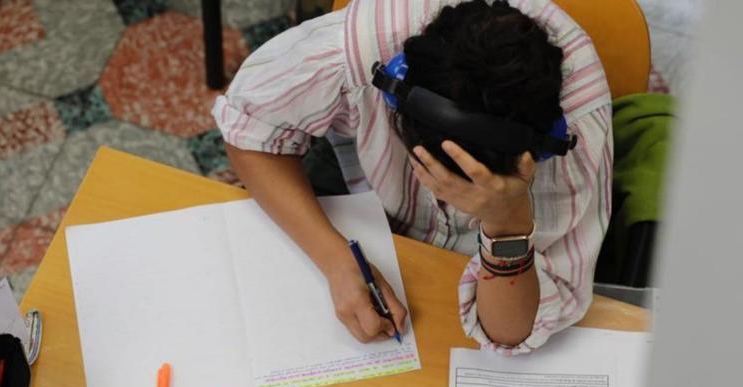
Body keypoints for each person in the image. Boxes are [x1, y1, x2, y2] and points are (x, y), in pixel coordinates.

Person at [212, 0, 612, 355]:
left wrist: (508, 223)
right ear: (394, 88)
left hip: (490, 260)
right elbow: (251, 128)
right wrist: (335, 260)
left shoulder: (575, 132)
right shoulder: (365, 43)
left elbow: (510, 333)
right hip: (366, 195)